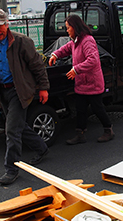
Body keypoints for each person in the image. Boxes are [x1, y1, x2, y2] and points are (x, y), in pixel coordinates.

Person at [0, 9, 50, 185]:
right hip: (1, 91)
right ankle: (42, 148)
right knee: (18, 126)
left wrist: (43, 88)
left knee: (11, 130)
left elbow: (37, 65)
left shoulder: (21, 41)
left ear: (6, 24)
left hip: (20, 90)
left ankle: (12, 169)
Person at [48, 14, 114, 144]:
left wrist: (76, 69)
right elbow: (66, 48)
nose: (67, 31)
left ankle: (108, 130)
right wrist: (55, 54)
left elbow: (93, 60)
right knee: (80, 109)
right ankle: (80, 134)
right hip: (82, 82)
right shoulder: (75, 40)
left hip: (92, 82)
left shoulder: (87, 40)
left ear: (75, 27)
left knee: (97, 108)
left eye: (68, 28)